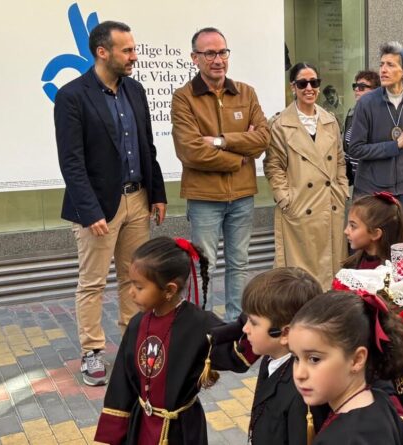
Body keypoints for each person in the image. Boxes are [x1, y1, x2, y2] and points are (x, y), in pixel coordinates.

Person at [54, 21, 167, 386]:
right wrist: (90, 211)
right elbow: (71, 162)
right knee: (93, 283)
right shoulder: (72, 96)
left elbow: (147, 146)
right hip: (98, 208)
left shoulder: (135, 90)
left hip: (138, 199)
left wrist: (157, 193)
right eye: (127, 50)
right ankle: (92, 352)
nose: (134, 56)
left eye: (134, 49)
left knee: (136, 277)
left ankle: (133, 343)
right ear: (103, 52)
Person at [94, 237, 258, 444]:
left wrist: (260, 316)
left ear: (169, 290)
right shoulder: (137, 324)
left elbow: (236, 353)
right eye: (131, 284)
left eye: (139, 287)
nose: (131, 292)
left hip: (182, 430)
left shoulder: (200, 324)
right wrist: (114, 435)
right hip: (141, 425)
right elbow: (122, 382)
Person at [171, 27, 270, 322]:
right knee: (204, 266)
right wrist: (240, 156)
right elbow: (190, 151)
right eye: (210, 53)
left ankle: (235, 325)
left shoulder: (245, 92)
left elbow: (263, 138)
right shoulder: (184, 98)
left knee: (239, 263)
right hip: (204, 198)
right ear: (195, 58)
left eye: (223, 52)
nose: (218, 60)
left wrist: (220, 141)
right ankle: (199, 326)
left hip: (242, 196)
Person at [209, 267, 326, 445]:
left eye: (253, 323)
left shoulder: (302, 395)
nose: (245, 328)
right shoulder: (271, 357)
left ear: (284, 333)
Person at [288, 290, 403, 444]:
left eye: (314, 359)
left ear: (357, 359)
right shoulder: (381, 402)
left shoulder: (343, 439)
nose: (299, 374)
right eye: (296, 358)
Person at [264, 62, 349, 291]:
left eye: (314, 82)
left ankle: (328, 310)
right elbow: (273, 166)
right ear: (293, 87)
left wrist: (342, 190)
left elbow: (339, 159)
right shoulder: (280, 124)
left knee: (331, 271)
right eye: (303, 83)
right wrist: (285, 198)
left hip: (330, 205)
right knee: (299, 276)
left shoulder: (330, 120)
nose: (309, 88)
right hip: (299, 205)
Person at [348, 42, 403, 240]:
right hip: (371, 191)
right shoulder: (366, 102)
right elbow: (355, 149)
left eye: (390, 65)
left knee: (402, 246)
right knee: (372, 248)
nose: (383, 69)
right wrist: (393, 146)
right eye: (382, 64)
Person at [343, 193, 403, 270]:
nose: (346, 231)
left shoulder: (393, 271)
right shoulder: (352, 265)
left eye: (353, 226)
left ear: (375, 234)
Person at [344, 71, 381, 185]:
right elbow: (347, 149)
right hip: (357, 181)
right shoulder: (352, 113)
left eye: (362, 87)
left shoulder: (381, 115)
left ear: (375, 91)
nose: (356, 89)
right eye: (355, 86)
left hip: (375, 181)